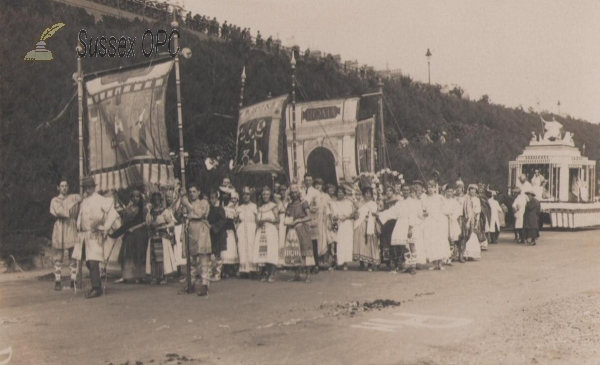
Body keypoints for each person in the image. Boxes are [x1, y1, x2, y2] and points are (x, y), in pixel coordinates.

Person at [74, 176, 119, 299]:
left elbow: (113, 213)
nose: (87, 190)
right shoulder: (84, 201)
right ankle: (96, 283)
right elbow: (80, 216)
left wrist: (105, 227)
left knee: (93, 260)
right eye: (86, 188)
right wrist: (78, 227)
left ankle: (96, 288)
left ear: (92, 187)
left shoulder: (101, 200)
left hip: (95, 234)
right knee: (88, 261)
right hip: (85, 235)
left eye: (88, 187)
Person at [110, 189, 148, 284]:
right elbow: (125, 223)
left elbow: (145, 223)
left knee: (139, 255)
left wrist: (134, 228)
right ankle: (127, 276)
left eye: (137, 197)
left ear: (140, 198)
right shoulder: (128, 209)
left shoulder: (143, 209)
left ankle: (140, 276)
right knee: (127, 255)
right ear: (131, 198)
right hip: (129, 234)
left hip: (140, 234)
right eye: (133, 197)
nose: (135, 198)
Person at [49, 179, 81, 291]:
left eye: (66, 185)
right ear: (58, 188)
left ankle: (73, 279)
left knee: (73, 254)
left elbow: (80, 202)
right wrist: (73, 204)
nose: (64, 188)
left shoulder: (73, 197)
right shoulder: (55, 200)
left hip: (71, 225)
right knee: (58, 255)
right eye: (62, 186)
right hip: (60, 226)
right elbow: (60, 211)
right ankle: (58, 280)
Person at [377, 183, 415, 274]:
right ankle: (402, 264)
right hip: (399, 223)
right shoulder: (399, 202)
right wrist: (379, 214)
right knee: (399, 244)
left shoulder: (412, 202)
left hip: (408, 223)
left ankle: (411, 266)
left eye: (407, 190)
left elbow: (413, 216)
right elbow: (391, 212)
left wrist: (410, 228)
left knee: (408, 244)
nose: (405, 191)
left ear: (409, 191)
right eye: (404, 190)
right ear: (401, 191)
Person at [180, 184, 211, 296]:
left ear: (199, 192)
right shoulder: (187, 204)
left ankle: (204, 285)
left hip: (201, 231)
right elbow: (181, 216)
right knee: (192, 260)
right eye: (190, 192)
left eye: (194, 191)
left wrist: (187, 204)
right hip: (191, 232)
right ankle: (191, 283)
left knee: (203, 260)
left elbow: (199, 213)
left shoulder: (203, 202)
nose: (192, 193)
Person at [283, 184, 315, 283]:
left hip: (302, 229)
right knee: (295, 251)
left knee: (305, 250)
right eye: (292, 193)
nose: (293, 194)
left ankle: (308, 275)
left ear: (299, 193)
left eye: (295, 192)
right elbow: (287, 216)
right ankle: (297, 274)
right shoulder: (289, 205)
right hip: (292, 230)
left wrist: (298, 221)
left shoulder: (304, 203)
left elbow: (309, 216)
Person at [145, 192, 178, 285]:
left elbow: (172, 223)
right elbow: (147, 223)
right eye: (154, 200)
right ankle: (154, 276)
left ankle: (163, 277)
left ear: (161, 200)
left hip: (162, 236)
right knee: (153, 257)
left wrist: (163, 227)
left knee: (162, 257)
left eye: (158, 200)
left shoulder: (165, 211)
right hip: (153, 236)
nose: (156, 202)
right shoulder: (150, 212)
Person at [422, 180, 451, 270]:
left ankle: (440, 263)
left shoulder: (439, 198)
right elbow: (424, 209)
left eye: (432, 187)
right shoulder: (425, 198)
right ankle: (434, 263)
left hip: (439, 221)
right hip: (429, 222)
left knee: (439, 241)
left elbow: (445, 209)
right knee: (431, 241)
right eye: (429, 187)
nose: (430, 189)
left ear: (435, 188)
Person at [253, 186, 280, 282]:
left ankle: (272, 273)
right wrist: (259, 221)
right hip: (262, 230)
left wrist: (269, 219)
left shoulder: (273, 206)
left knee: (271, 251)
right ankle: (266, 272)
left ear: (270, 195)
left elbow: (278, 219)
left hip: (271, 229)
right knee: (264, 252)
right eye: (263, 194)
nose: (265, 196)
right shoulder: (260, 207)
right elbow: (256, 219)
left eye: (267, 194)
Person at [353, 187, 380, 272]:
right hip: (360, 225)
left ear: (372, 194)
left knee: (370, 243)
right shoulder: (359, 204)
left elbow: (377, 215)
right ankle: (361, 263)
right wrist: (356, 213)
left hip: (370, 225)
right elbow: (355, 215)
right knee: (360, 243)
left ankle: (370, 263)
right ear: (363, 194)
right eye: (366, 193)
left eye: (369, 193)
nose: (367, 194)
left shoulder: (374, 204)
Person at [328, 186, 355, 271]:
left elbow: (353, 214)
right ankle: (336, 262)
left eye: (342, 192)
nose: (340, 193)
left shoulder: (349, 202)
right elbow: (331, 214)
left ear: (344, 193)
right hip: (337, 223)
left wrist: (346, 218)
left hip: (346, 223)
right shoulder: (333, 203)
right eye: (338, 192)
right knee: (337, 242)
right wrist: (335, 218)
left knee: (346, 242)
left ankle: (345, 263)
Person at [235, 187, 258, 276]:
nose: (245, 196)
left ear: (250, 195)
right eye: (244, 194)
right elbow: (236, 220)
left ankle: (253, 269)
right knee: (242, 247)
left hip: (251, 228)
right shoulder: (239, 207)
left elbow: (257, 219)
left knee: (251, 246)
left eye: (247, 194)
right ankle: (243, 269)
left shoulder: (254, 206)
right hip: (241, 229)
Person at [207, 190, 228, 282]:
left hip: (218, 234)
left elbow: (223, 221)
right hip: (211, 234)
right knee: (211, 254)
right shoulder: (209, 209)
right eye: (210, 198)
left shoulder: (220, 209)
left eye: (213, 198)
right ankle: (210, 273)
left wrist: (214, 227)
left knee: (218, 254)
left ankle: (217, 274)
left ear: (216, 198)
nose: (211, 200)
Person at [442, 185, 465, 263]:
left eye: (451, 192)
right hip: (444, 220)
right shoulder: (442, 200)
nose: (450, 193)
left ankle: (450, 257)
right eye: (448, 191)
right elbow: (440, 209)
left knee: (452, 239)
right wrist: (445, 214)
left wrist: (452, 216)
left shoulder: (454, 201)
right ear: (445, 192)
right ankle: (444, 257)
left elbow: (457, 211)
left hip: (452, 220)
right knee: (444, 238)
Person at [220, 190, 239, 278]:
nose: (225, 197)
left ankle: (230, 269)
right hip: (223, 230)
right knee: (224, 251)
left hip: (230, 229)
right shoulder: (221, 205)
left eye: (227, 195)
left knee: (230, 248)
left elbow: (234, 220)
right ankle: (225, 269)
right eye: (223, 195)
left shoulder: (231, 207)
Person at [379, 184, 398, 269]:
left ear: (393, 192)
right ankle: (387, 263)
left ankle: (396, 262)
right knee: (385, 241)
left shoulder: (396, 202)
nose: (388, 192)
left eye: (390, 190)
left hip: (393, 222)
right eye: (387, 191)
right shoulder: (384, 202)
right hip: (385, 223)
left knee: (393, 241)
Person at [462, 184, 482, 260]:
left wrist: (477, 222)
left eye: (474, 189)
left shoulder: (477, 199)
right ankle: (464, 253)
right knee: (465, 234)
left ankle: (471, 253)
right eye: (471, 189)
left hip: (473, 218)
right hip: (466, 217)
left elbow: (478, 212)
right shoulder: (466, 198)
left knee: (472, 234)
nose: (472, 191)